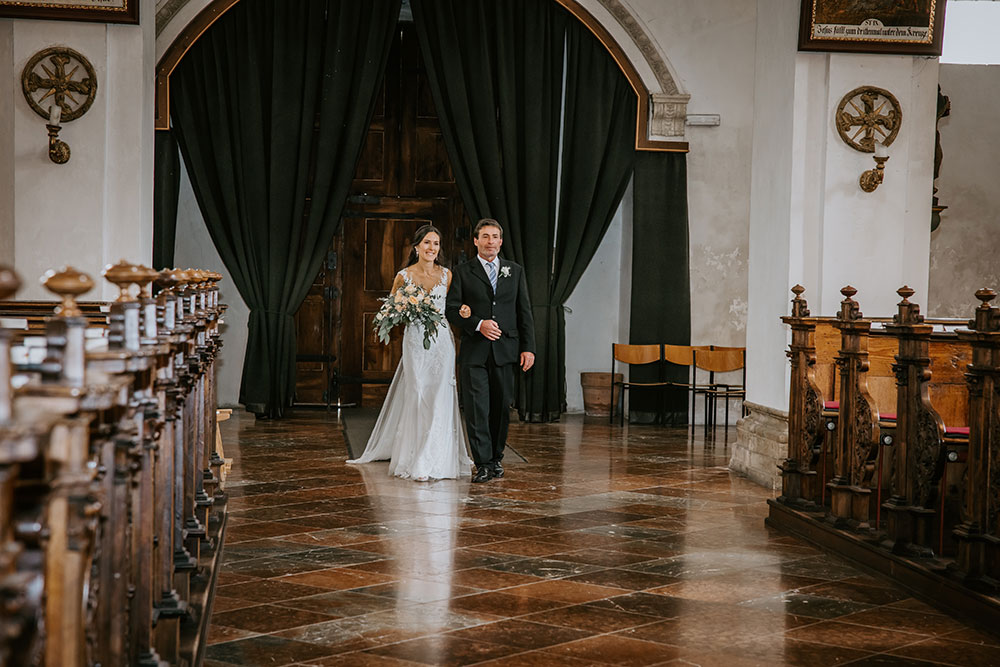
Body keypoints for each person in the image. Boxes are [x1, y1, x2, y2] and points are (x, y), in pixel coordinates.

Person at [347, 225, 471, 481]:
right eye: (427, 242)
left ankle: (434, 457)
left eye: (436, 243)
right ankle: (415, 456)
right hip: (416, 341)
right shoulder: (404, 276)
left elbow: (452, 308)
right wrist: (406, 312)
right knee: (418, 393)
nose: (431, 248)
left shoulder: (447, 275)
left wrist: (464, 312)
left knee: (440, 396)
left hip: (441, 343)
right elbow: (392, 310)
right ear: (416, 247)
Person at [445, 218, 535, 483]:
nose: (490, 242)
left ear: (501, 241)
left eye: (495, 237)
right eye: (485, 237)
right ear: (476, 241)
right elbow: (452, 309)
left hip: (506, 351)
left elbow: (524, 312)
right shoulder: (463, 272)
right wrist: (478, 324)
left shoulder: (514, 270)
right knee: (477, 409)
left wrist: (528, 348)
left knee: (500, 409)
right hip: (475, 353)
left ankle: (496, 459)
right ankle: (482, 462)